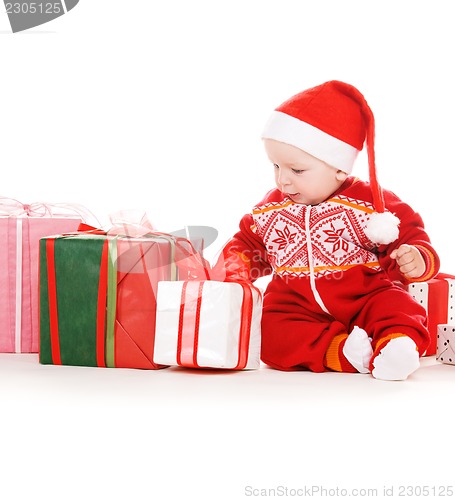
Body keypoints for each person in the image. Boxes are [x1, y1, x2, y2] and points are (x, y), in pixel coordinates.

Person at [213, 80, 440, 380]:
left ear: (339, 168)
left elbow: (409, 232)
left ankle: (395, 345)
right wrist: (235, 269)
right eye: (276, 167)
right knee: (268, 331)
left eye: (296, 170)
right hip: (296, 305)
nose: (283, 181)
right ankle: (343, 353)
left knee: (398, 307)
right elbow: (248, 243)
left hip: (364, 297)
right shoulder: (271, 208)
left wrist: (417, 257)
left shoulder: (369, 201)